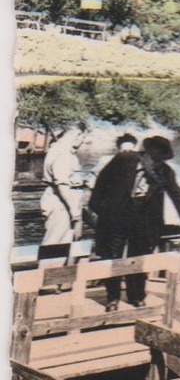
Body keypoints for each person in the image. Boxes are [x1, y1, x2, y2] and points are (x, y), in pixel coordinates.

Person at [88, 134, 159, 310]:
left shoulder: (144, 165)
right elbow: (96, 196)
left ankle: (132, 296)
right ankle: (118, 297)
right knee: (115, 258)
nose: (127, 154)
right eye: (124, 151)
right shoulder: (111, 164)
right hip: (116, 219)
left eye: (130, 150)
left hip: (135, 218)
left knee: (136, 258)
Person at [39, 124, 92, 264]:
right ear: (76, 136)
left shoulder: (60, 151)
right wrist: (74, 210)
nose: (82, 142)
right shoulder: (63, 154)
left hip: (63, 203)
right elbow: (61, 184)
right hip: (61, 204)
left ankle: (58, 280)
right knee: (56, 242)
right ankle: (47, 282)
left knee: (65, 242)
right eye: (82, 138)